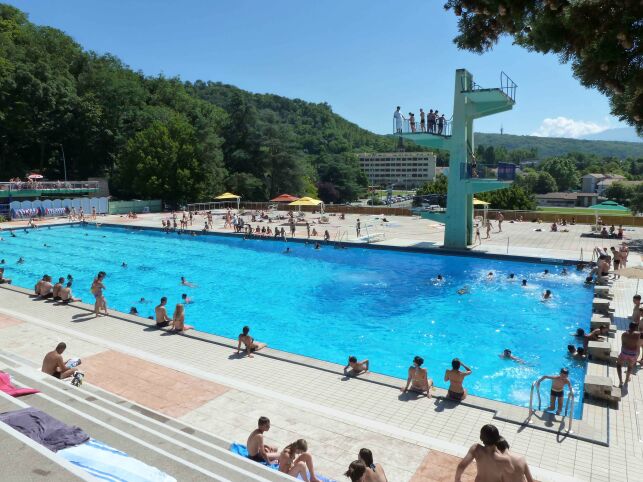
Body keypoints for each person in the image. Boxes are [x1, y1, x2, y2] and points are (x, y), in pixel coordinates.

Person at [616, 322, 640, 387]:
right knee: (630, 366)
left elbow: (623, 344)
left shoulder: (624, 334)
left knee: (618, 365)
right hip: (633, 354)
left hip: (624, 352)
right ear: (636, 328)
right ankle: (627, 379)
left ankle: (620, 381)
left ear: (629, 327)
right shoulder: (638, 335)